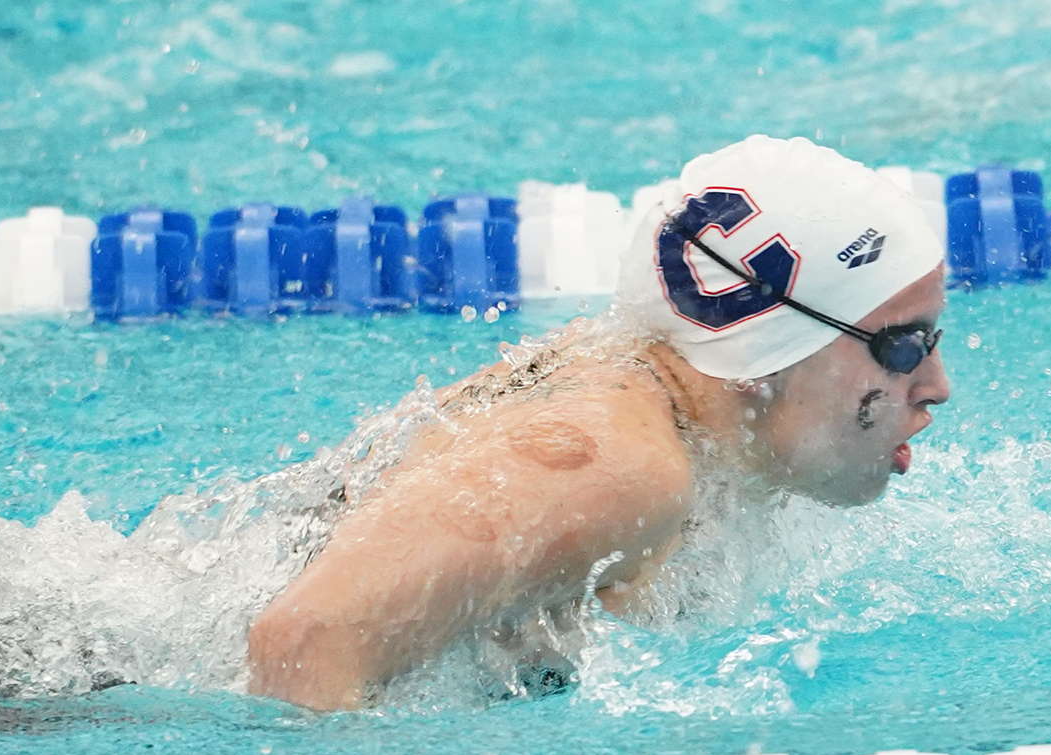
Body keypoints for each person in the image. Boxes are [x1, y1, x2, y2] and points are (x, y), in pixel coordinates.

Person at [246, 135, 953, 710]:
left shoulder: (669, 404)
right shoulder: (617, 469)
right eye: (903, 346)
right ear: (763, 353)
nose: (936, 387)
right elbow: (302, 641)